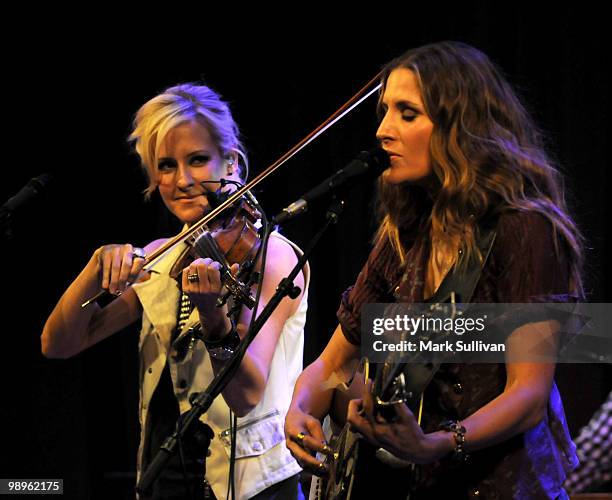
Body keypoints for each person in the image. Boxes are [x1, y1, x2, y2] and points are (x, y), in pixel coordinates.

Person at [284, 41, 583, 499]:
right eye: (385, 111)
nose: (383, 130)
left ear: (460, 126)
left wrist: (437, 443)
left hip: (502, 485)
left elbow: (529, 396)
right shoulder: (404, 231)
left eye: (407, 113)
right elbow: (331, 364)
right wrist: (301, 407)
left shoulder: (524, 228)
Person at [41, 84, 309, 500]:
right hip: (165, 482)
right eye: (165, 165)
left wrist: (213, 316)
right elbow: (58, 344)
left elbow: (245, 394)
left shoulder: (270, 255)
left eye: (198, 160)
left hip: (253, 488)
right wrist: (95, 269)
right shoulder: (160, 259)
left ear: (232, 163)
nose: (181, 180)